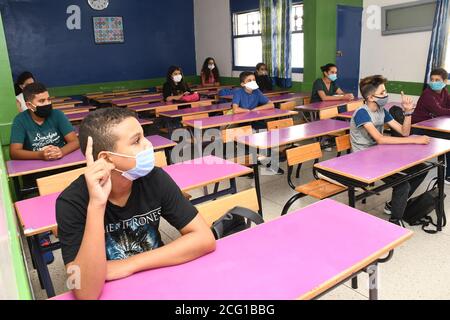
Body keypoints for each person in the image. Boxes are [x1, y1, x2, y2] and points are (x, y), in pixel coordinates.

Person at [56, 107, 216, 300]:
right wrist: (97, 204)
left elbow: (205, 239)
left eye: (144, 136)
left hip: (158, 275)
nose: (148, 145)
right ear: (107, 158)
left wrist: (129, 264)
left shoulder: (154, 178)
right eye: (136, 141)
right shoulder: (71, 202)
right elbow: (85, 293)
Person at [349, 75, 430, 227]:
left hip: (378, 155)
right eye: (382, 92)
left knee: (422, 168)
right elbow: (380, 138)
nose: (386, 95)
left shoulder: (381, 110)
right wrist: (414, 139)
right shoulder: (362, 112)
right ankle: (395, 221)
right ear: (370, 97)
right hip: (362, 159)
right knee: (402, 184)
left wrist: (407, 113)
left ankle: (393, 205)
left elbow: (404, 132)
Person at [10, 82, 79, 161]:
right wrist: (40, 155)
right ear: (29, 105)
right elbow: (14, 153)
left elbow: (75, 142)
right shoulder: (20, 120)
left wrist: (61, 151)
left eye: (48, 99)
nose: (47, 103)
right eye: (42, 101)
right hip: (36, 167)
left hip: (61, 161)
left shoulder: (57, 115)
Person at [412, 68, 450, 183]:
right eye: (432, 79)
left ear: (444, 82)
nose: (433, 82)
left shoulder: (444, 91)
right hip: (419, 128)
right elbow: (439, 111)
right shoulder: (427, 94)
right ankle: (448, 176)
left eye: (437, 80)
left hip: (434, 125)